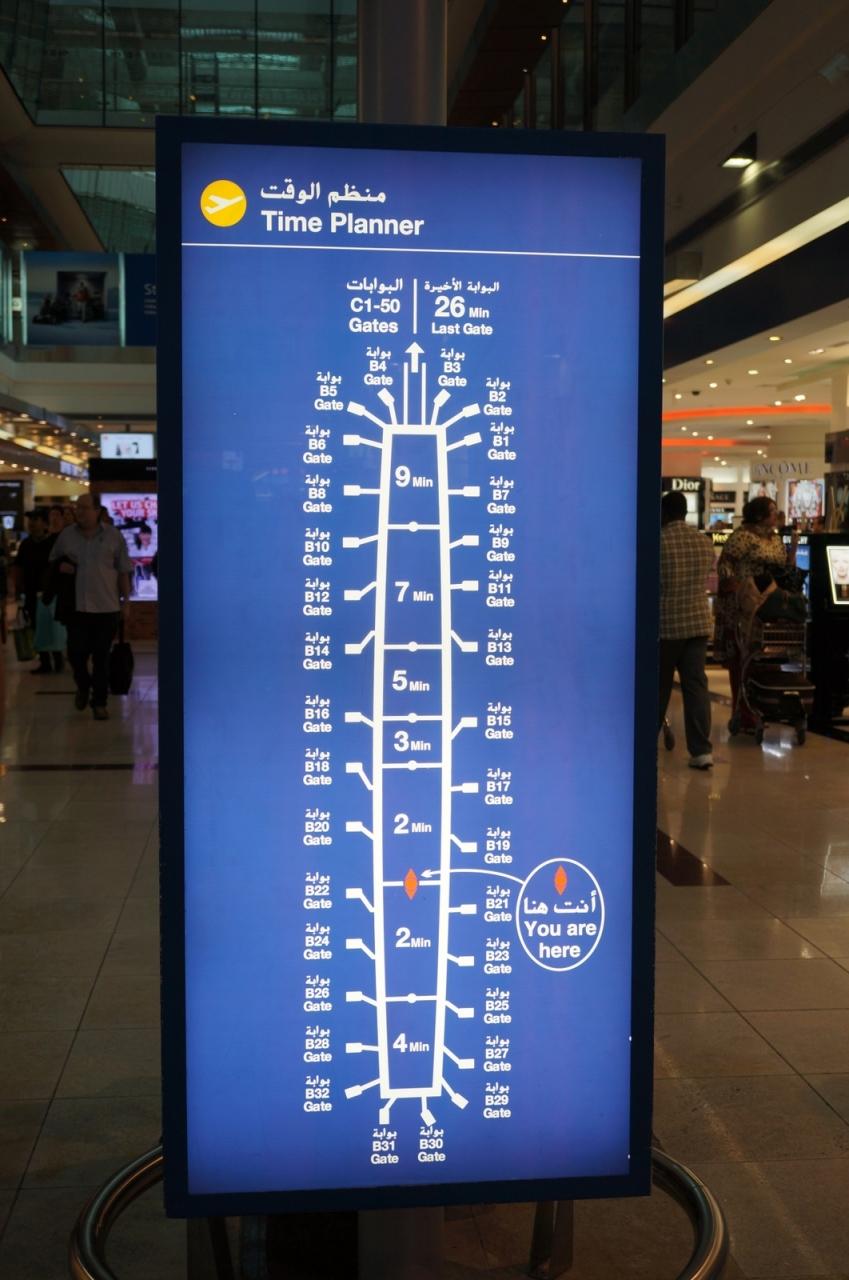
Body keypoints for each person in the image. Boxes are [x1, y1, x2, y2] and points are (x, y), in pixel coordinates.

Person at [715, 495, 796, 731]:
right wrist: (736, 587)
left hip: (768, 605)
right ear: (760, 515)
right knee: (742, 659)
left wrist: (792, 551)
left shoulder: (775, 539)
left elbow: (783, 567)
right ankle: (743, 711)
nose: (776, 514)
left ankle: (762, 704)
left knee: (764, 657)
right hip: (743, 606)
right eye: (772, 510)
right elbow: (725, 565)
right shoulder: (742, 536)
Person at [49, 492, 132, 720]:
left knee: (101, 658)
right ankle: (83, 686)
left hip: (106, 607)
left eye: (84, 508)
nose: (80, 512)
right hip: (76, 607)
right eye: (77, 508)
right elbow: (53, 562)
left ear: (97, 511)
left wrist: (126, 602)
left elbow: (123, 571)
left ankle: (99, 702)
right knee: (75, 655)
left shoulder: (113, 536)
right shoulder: (67, 535)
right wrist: (61, 567)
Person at [658, 490, 716, 769]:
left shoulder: (658, 542)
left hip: (667, 626)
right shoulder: (704, 542)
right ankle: (701, 751)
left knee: (659, 686)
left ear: (665, 513)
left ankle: (647, 745)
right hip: (698, 624)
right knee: (696, 686)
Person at [12, 509, 63, 674]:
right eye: (30, 520)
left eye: (36, 520)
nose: (31, 524)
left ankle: (58, 659)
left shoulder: (53, 543)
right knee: (36, 625)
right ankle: (45, 661)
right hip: (31, 592)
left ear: (45, 523)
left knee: (53, 626)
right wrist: (18, 587)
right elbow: (18, 567)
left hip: (51, 593)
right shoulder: (26, 544)